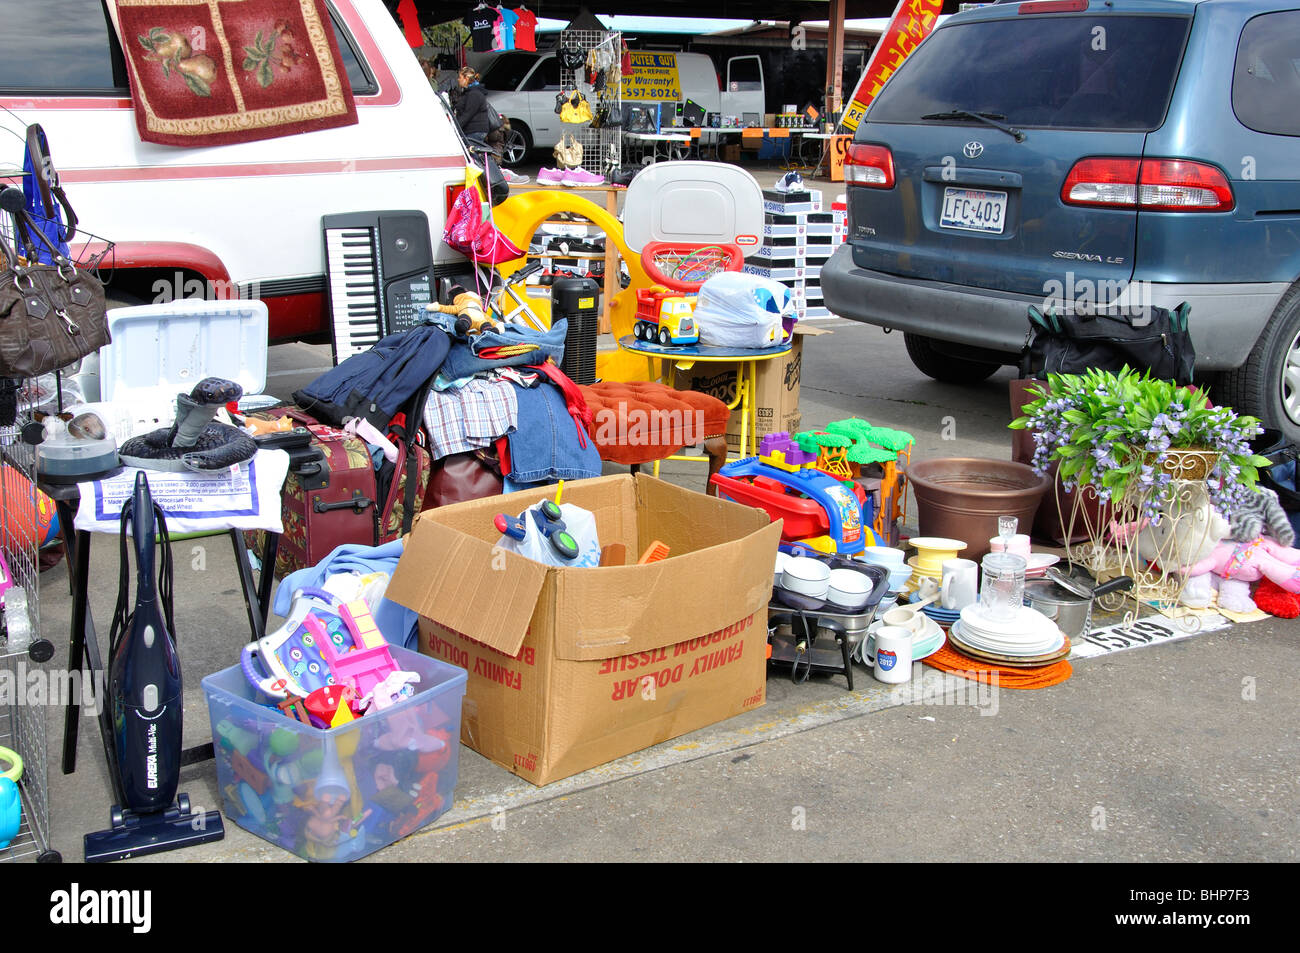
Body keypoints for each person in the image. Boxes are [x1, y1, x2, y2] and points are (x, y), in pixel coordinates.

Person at [452, 66, 505, 156]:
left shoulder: (474, 94)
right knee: (472, 157)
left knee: (472, 158)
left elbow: (468, 114)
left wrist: (455, 127)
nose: (458, 80)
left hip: (474, 131)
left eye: (460, 77)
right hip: (473, 130)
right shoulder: (470, 92)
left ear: (466, 78)